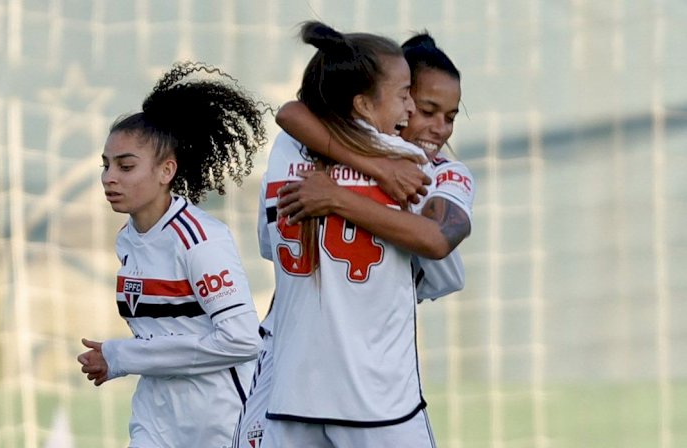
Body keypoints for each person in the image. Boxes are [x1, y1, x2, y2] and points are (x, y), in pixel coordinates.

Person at [233, 31, 472, 448]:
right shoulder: (412, 165)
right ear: (370, 98)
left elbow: (290, 114)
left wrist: (338, 195)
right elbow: (436, 245)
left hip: (292, 382)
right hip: (372, 393)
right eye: (417, 104)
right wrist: (371, 173)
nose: (434, 126)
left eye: (449, 117)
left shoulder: (291, 147)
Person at [76, 62, 266, 448]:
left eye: (126, 166)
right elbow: (161, 336)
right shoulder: (128, 239)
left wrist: (123, 356)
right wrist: (124, 357)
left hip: (221, 421)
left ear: (167, 171)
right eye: (106, 165)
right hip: (156, 419)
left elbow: (243, 341)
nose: (109, 177)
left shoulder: (200, 240)